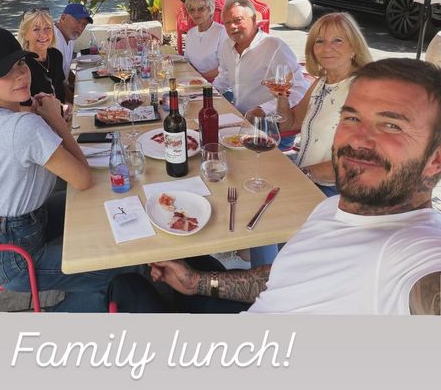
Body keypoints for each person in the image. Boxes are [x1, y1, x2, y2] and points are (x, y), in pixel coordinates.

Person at [109, 59, 441, 315]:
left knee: (125, 286)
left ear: (436, 160)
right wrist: (197, 283)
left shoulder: (409, 253)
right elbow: (286, 277)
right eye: (352, 118)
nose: (357, 139)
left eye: (390, 125)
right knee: (182, 261)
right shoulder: (333, 207)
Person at [0, 27, 130, 312]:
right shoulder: (24, 126)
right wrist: (57, 121)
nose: (19, 75)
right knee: (121, 270)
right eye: (4, 72)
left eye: (20, 63)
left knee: (104, 203)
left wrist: (44, 119)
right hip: (16, 256)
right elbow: (83, 178)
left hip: (6, 229)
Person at [274, 12, 372, 195]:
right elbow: (289, 124)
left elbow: (355, 162)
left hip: (334, 191)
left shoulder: (362, 89)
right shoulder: (321, 82)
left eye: (337, 40)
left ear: (354, 48)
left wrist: (299, 175)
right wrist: (281, 95)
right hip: (306, 178)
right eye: (319, 41)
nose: (327, 48)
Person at [213, 0, 309, 116]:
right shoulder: (226, 46)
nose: (232, 26)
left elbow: (299, 90)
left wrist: (263, 110)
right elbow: (224, 76)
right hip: (240, 116)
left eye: (238, 20)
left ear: (253, 19)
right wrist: (208, 93)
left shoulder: (275, 47)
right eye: (227, 23)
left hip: (270, 121)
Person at [18, 8, 66, 101]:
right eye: (36, 29)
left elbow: (61, 90)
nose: (43, 34)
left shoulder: (56, 55)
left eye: (47, 28)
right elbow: (23, 107)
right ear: (25, 35)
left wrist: (68, 105)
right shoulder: (22, 65)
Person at [182, 0, 227, 81]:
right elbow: (187, 62)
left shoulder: (221, 32)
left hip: (219, 86)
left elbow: (226, 67)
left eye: (201, 9)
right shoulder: (191, 33)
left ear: (210, 10)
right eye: (192, 10)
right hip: (196, 82)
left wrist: (201, 77)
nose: (195, 13)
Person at [54, 2, 93, 101]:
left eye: (84, 24)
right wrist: (77, 103)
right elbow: (58, 82)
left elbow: (65, 69)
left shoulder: (69, 36)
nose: (80, 28)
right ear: (63, 18)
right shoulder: (53, 40)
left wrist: (80, 83)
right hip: (55, 98)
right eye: (77, 21)